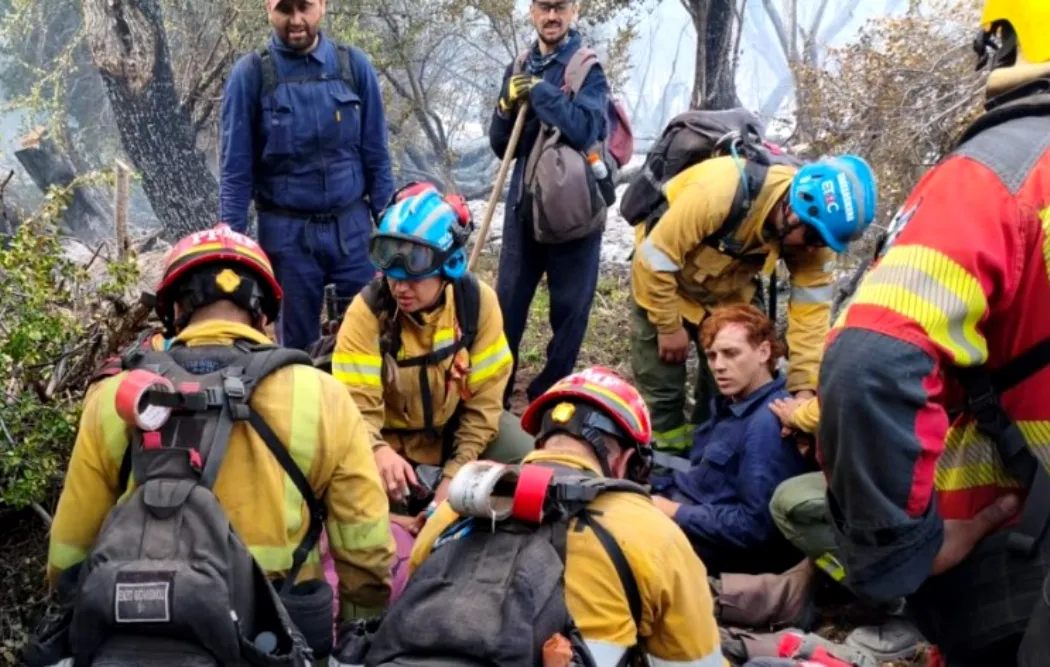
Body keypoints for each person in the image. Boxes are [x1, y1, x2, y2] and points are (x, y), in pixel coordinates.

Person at [817, 2, 1050, 664]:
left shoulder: (1000, 172)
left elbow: (868, 359)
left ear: (1002, 45)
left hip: (1013, 565)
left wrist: (894, 553)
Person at [42, 224, 394, 658]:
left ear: (174, 310)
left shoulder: (115, 397)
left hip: (135, 635)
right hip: (277, 638)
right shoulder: (322, 395)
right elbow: (364, 545)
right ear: (263, 313)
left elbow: (68, 553)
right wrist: (357, 630)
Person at [407, 367, 727, 667]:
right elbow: (696, 659)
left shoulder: (461, 506)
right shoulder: (653, 534)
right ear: (627, 461)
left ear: (541, 442)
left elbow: (407, 600)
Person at [630, 154, 877, 453]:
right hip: (664, 285)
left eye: (823, 242)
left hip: (727, 292)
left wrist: (803, 389)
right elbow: (653, 261)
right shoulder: (718, 193)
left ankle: (708, 460)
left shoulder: (813, 241)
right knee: (662, 389)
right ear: (791, 209)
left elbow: (811, 318)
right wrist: (667, 325)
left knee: (734, 385)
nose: (814, 247)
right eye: (812, 236)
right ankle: (661, 465)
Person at [332, 185, 534, 535]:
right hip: (387, 444)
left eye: (414, 275)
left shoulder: (477, 305)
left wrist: (456, 477)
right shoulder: (367, 314)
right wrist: (377, 452)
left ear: (449, 266)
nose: (399, 288)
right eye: (392, 276)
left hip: (451, 434)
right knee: (359, 506)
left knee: (524, 454)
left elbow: (485, 405)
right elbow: (353, 411)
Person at [220, 0, 394, 351]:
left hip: (353, 231)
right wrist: (232, 248)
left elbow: (377, 157)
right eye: (285, 9)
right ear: (269, 8)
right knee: (296, 350)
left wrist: (392, 228)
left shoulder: (353, 65)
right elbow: (235, 172)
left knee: (367, 336)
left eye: (305, 7)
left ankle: (359, 407)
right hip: (287, 238)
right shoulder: (251, 75)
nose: (296, 20)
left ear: (323, 6)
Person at [490, 0, 610, 407]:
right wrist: (506, 106)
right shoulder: (519, 64)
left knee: (570, 312)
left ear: (574, 10)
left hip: (573, 210)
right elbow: (500, 144)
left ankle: (549, 399)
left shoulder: (586, 68)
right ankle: (497, 395)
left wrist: (542, 95)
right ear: (532, 11)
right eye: (544, 7)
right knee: (507, 307)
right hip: (523, 208)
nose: (552, 16)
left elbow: (587, 127)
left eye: (560, 7)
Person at [649, 304, 811, 576]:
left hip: (717, 547)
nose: (719, 366)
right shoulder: (732, 404)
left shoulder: (768, 423)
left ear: (764, 352)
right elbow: (699, 472)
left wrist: (673, 511)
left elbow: (757, 528)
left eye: (731, 354)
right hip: (685, 507)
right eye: (712, 356)